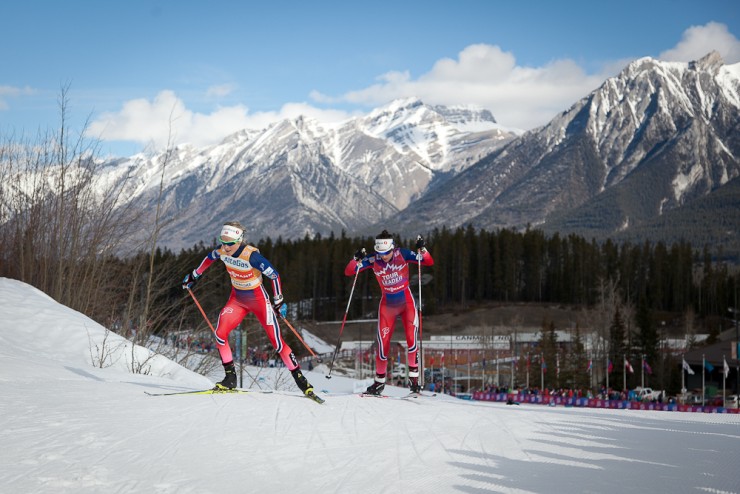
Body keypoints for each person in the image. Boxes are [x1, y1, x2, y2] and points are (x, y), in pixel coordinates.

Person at [182, 221, 316, 398]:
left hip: (259, 301)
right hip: (237, 300)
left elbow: (274, 275)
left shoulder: (251, 256)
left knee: (277, 342)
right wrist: (194, 275)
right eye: (223, 241)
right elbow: (209, 258)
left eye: (230, 243)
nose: (226, 246)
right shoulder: (221, 251)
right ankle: (230, 378)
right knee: (220, 334)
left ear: (239, 240)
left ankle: (301, 381)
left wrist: (278, 300)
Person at [344, 230, 434, 395]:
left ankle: (414, 381)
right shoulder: (373, 258)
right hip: (387, 306)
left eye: (386, 253)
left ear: (392, 248)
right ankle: (379, 383)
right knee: (382, 344)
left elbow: (428, 261)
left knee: (411, 340)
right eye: (380, 253)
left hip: (406, 303)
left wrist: (423, 249)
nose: (383, 256)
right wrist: (355, 259)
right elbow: (350, 271)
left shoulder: (403, 254)